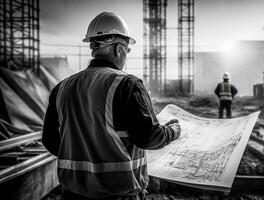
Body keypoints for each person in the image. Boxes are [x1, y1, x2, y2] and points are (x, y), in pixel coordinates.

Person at [42, 12, 181, 200]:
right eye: (127, 50)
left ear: (93, 47)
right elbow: (148, 137)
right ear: (118, 50)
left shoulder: (62, 88)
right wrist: (173, 131)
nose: (126, 55)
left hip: (73, 193)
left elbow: (50, 139)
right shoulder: (127, 84)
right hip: (119, 193)